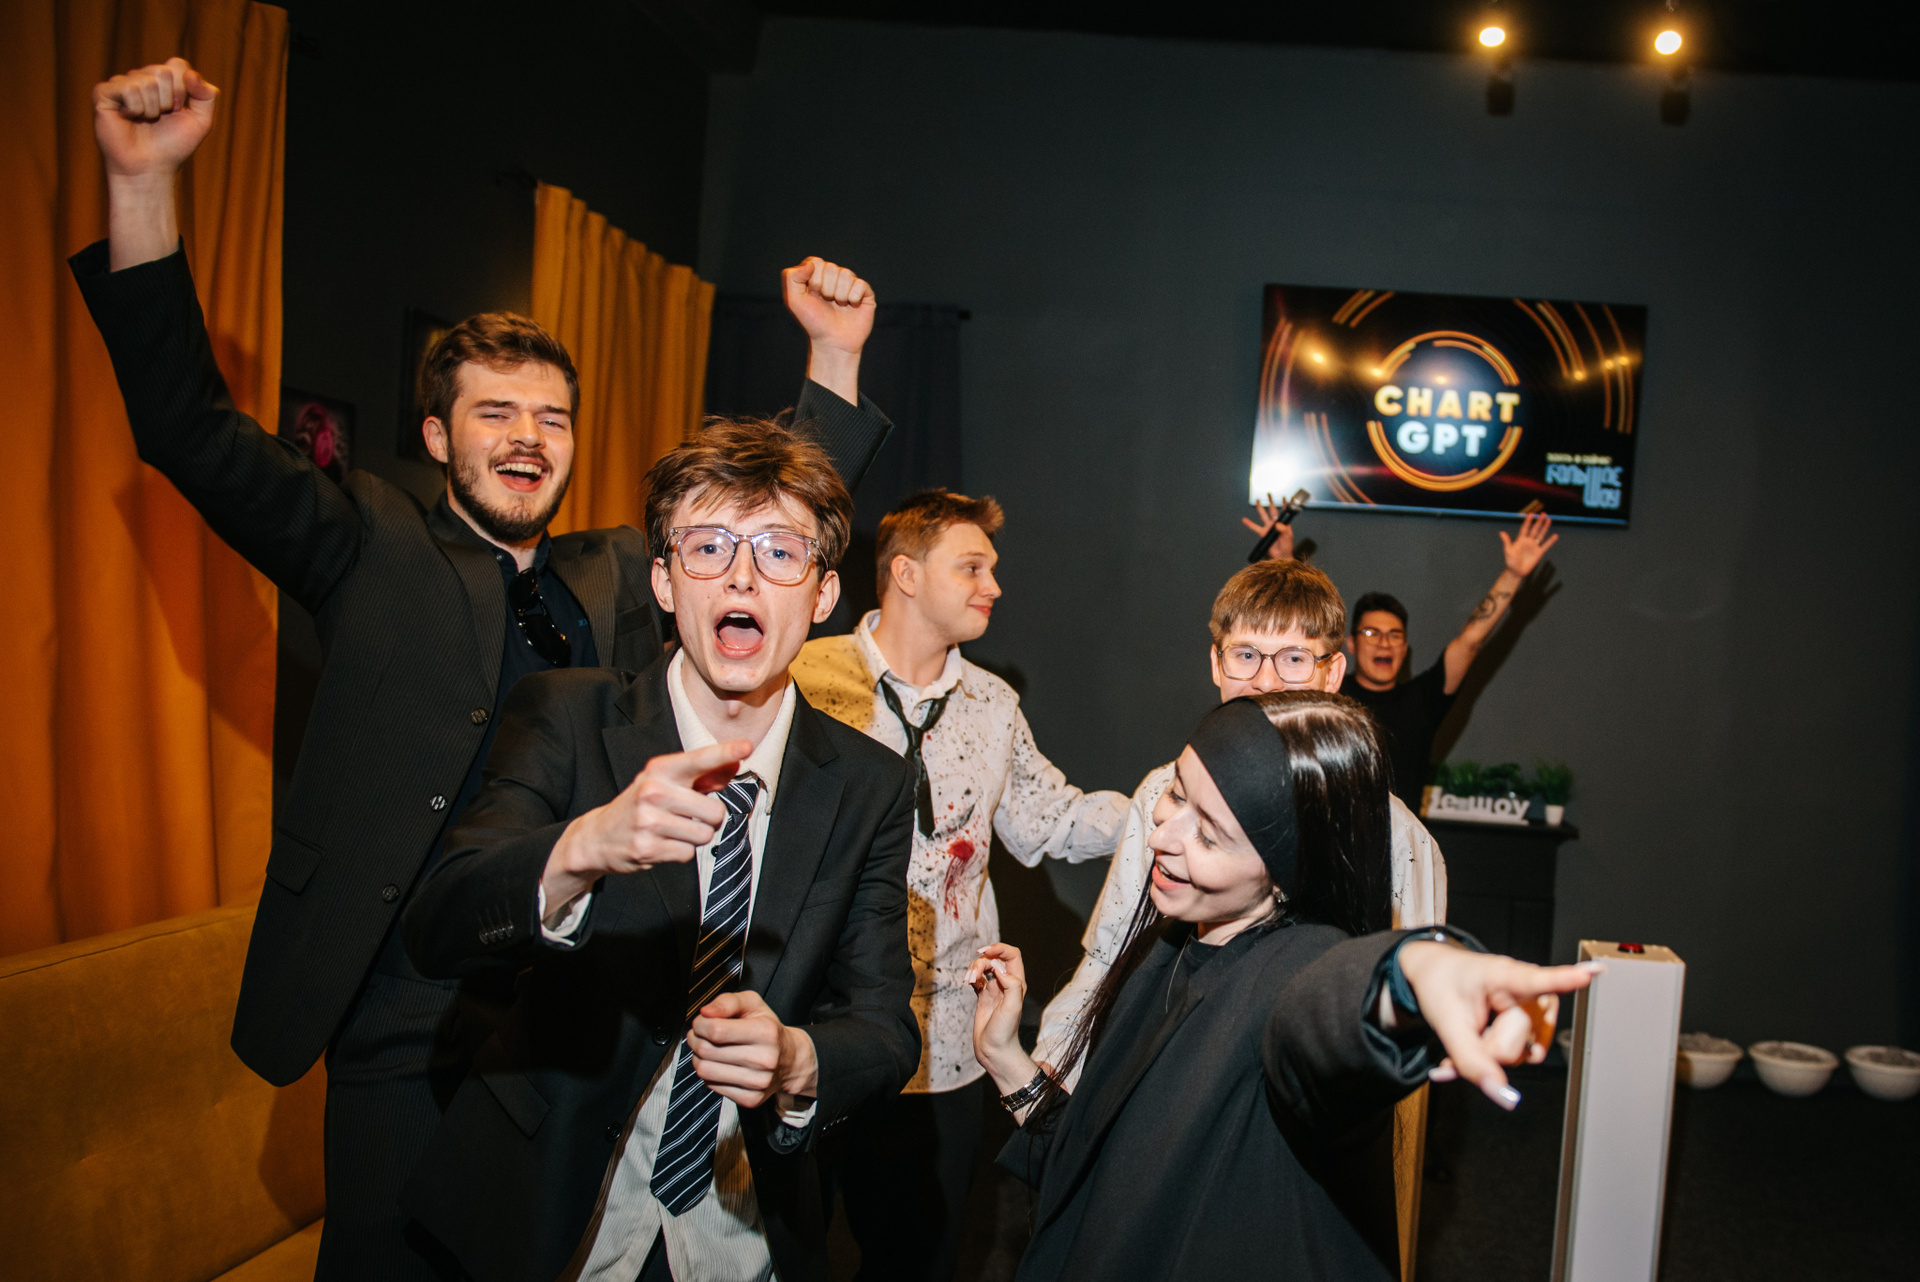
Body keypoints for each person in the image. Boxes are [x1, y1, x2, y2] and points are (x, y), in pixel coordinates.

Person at [75, 58, 891, 1281]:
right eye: (494, 413)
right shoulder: (368, 540)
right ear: (435, 435)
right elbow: (190, 429)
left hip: (566, 1007)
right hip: (404, 997)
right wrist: (141, 189)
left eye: (552, 417)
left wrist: (833, 357)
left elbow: (767, 530)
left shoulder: (623, 573)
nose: (526, 436)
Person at [400, 417, 919, 1282]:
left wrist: (798, 1059)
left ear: (824, 594)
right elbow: (439, 925)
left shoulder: (872, 785)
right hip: (548, 1212)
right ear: (664, 582)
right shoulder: (566, 717)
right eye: (707, 547)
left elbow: (884, 1026)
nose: (742, 576)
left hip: (740, 1232)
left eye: (780, 552)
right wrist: (583, 847)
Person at [969, 693, 1600, 1280]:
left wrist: (1413, 972)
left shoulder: (1293, 967)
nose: (1161, 835)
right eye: (1176, 793)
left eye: (1209, 834)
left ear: (1284, 871)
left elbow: (1326, 1002)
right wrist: (1004, 1058)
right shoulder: (1174, 946)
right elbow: (1095, 1170)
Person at [788, 489, 1127, 1282]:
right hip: (816, 1027)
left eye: (992, 569)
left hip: (942, 1048)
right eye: (972, 567)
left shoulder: (992, 704)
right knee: (783, 1249)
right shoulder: (804, 677)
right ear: (906, 574)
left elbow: (1051, 821)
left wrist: (1164, 802)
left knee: (919, 1261)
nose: (993, 586)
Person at [1034, 557, 1445, 1078]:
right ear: (1216, 663)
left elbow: (1407, 1012)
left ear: (1333, 673)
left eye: (1294, 658)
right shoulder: (1162, 793)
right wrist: (1052, 1081)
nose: (1265, 682)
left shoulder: (1396, 836)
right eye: (1246, 655)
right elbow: (1108, 957)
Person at [1343, 511, 1560, 811]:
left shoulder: (1422, 699)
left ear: (1404, 648)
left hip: (1403, 840)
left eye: (1394, 635)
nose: (1384, 642)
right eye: (1371, 633)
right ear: (1351, 644)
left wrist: (1513, 575)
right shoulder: (1328, 694)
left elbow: (1470, 642)